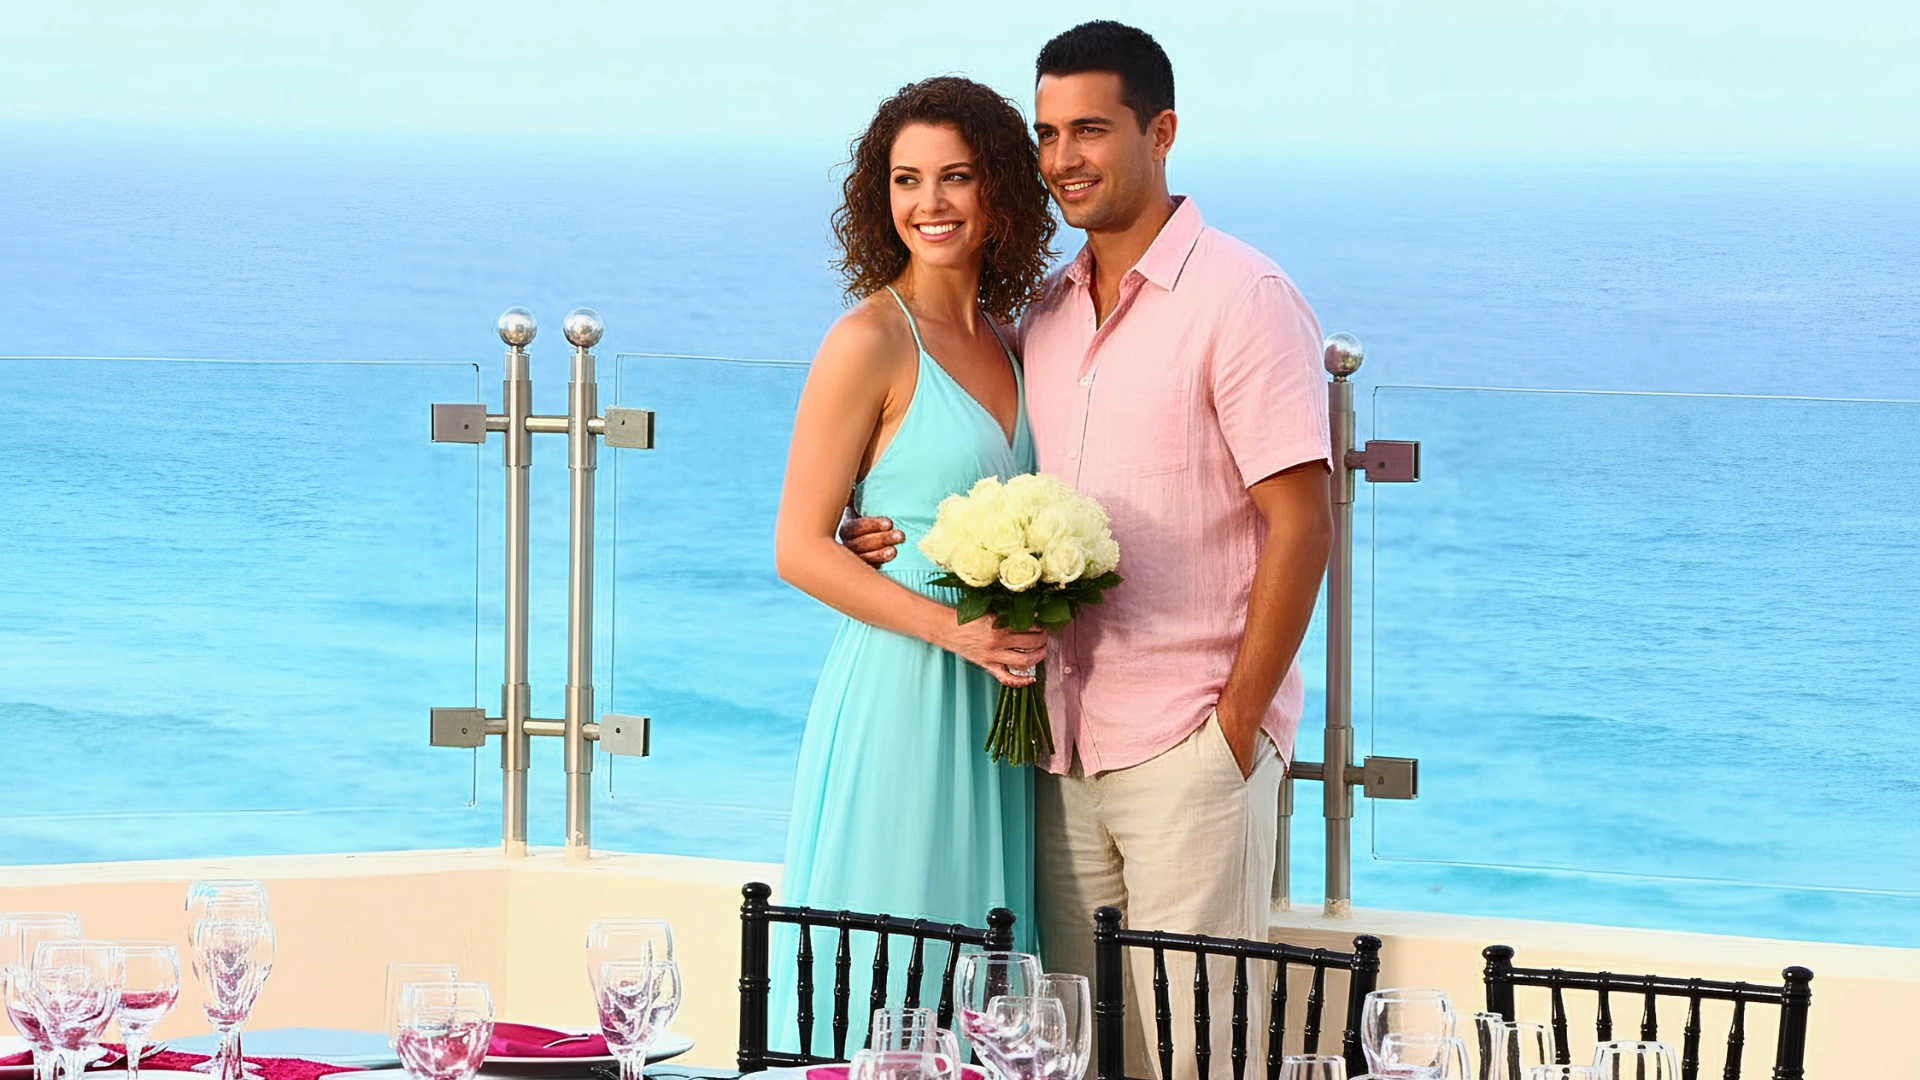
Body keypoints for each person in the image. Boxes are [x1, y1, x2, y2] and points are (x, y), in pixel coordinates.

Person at [841, 22, 1333, 1077]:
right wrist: (876, 522)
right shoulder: (1048, 317)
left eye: (1092, 130)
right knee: (1072, 1057)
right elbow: (961, 460)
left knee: (1204, 1053)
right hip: (1059, 753)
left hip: (1189, 747)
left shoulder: (1243, 298)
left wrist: (1237, 725)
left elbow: (1303, 522)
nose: (1066, 156)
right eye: (1049, 133)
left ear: (1160, 133)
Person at [768, 74, 1059, 1050]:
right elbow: (799, 547)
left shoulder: (1014, 344)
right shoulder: (865, 341)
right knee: (891, 964)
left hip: (999, 712)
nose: (929, 203)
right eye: (905, 180)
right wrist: (953, 630)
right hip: (904, 696)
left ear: (1001, 194)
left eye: (956, 177)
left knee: (985, 972)